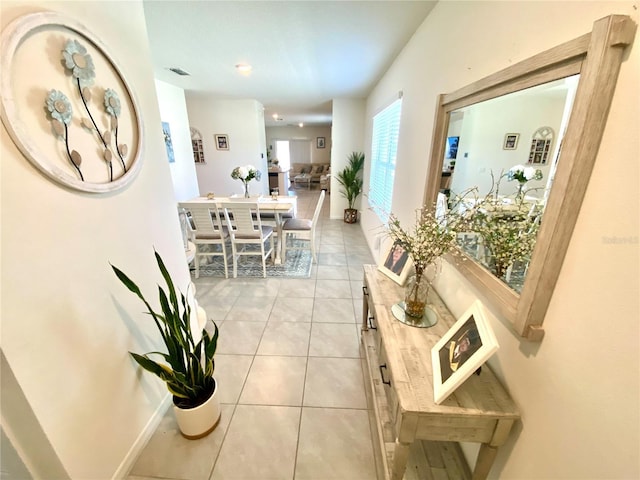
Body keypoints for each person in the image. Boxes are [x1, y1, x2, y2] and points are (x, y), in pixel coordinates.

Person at [438, 318, 482, 383]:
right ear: (462, 339)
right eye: (465, 341)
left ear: (468, 348)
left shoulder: (462, 361)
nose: (464, 345)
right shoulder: (449, 346)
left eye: (467, 344)